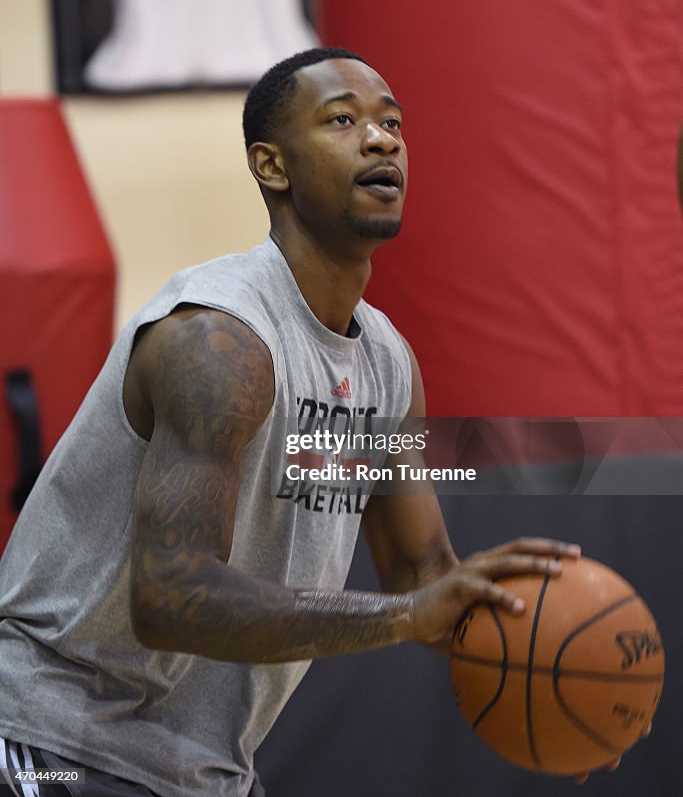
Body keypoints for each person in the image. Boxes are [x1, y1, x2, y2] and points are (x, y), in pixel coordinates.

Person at [0, 48, 608, 796]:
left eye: (391, 123)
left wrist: (560, 686)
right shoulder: (217, 340)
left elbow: (421, 574)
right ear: (272, 166)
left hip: (201, 768)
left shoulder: (387, 362)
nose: (381, 139)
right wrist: (406, 613)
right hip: (54, 737)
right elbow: (171, 598)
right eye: (343, 120)